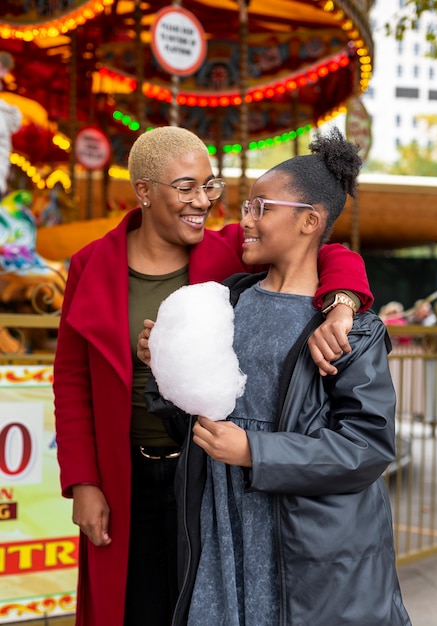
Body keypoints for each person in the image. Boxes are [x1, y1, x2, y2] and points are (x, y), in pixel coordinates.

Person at [53, 125, 373, 626]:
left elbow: (325, 248)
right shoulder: (90, 264)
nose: (202, 200)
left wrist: (344, 301)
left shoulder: (229, 251)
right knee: (132, 605)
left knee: (199, 604)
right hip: (123, 474)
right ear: (144, 191)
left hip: (207, 476)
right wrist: (83, 483)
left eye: (210, 184)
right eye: (186, 187)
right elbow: (71, 381)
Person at [144, 127, 411, 626]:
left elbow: (368, 448)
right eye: (246, 206)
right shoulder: (224, 303)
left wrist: (254, 451)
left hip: (307, 549)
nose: (245, 220)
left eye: (260, 208)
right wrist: (163, 368)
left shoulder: (349, 328)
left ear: (310, 220)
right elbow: (194, 422)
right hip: (220, 532)